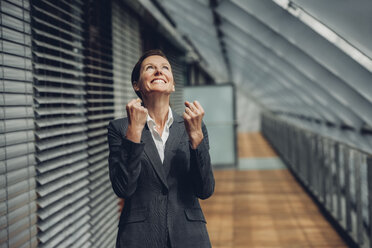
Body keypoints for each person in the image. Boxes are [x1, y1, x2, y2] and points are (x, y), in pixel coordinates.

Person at [107, 49, 215, 248]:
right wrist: (134, 133)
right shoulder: (120, 128)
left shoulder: (193, 125)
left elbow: (205, 189)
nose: (159, 71)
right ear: (136, 85)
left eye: (165, 68)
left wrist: (196, 138)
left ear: (173, 84)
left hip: (189, 236)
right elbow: (123, 188)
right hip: (139, 238)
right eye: (150, 68)